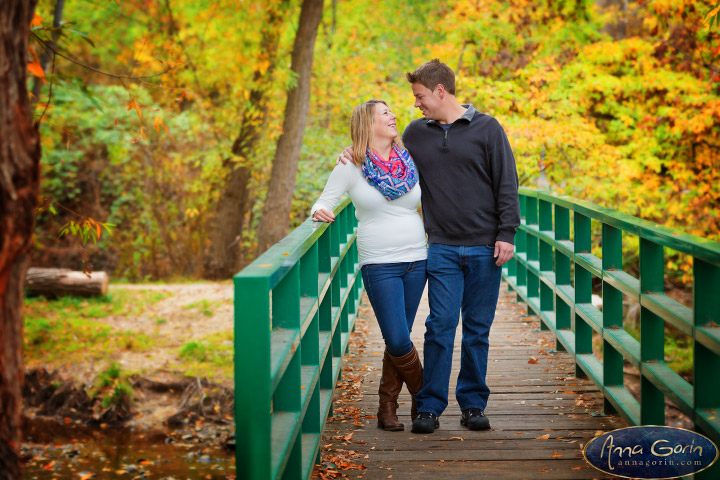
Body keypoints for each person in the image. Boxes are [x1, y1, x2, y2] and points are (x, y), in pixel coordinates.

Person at [338, 60, 520, 434]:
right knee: (439, 326)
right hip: (439, 247)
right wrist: (352, 153)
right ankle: (430, 406)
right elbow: (386, 158)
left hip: (487, 246)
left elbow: (507, 183)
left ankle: (472, 404)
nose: (415, 104)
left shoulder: (488, 129)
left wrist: (507, 233)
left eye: (420, 96)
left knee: (477, 329)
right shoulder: (415, 134)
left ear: (440, 91)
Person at [311, 99, 427, 431]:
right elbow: (325, 199)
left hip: (417, 258)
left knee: (399, 337)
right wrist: (319, 210)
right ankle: (425, 397)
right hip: (379, 262)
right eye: (385, 114)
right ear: (368, 124)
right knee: (398, 338)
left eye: (392, 112)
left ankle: (386, 409)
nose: (393, 117)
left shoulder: (411, 159)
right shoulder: (351, 165)